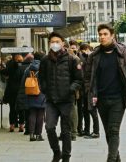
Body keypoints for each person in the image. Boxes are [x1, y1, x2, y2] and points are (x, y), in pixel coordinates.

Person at [84, 23, 126, 162]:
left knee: (114, 130)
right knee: (109, 133)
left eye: (105, 34)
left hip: (118, 99)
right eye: (100, 34)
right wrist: (89, 91)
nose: (102, 37)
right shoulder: (94, 56)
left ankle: (110, 159)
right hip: (101, 100)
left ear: (112, 35)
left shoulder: (123, 53)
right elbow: (87, 77)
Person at [39, 32, 83, 162]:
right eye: (52, 42)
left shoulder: (72, 59)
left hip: (66, 101)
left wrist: (70, 90)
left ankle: (66, 156)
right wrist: (44, 89)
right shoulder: (45, 60)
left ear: (63, 43)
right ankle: (56, 152)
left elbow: (79, 79)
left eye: (57, 41)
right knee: (49, 127)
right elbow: (41, 78)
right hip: (51, 101)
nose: (55, 44)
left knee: (66, 131)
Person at [77, 43, 100, 139]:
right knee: (86, 110)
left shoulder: (93, 59)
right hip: (86, 89)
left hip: (92, 89)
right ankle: (87, 131)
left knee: (92, 110)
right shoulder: (86, 58)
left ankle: (96, 132)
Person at [25, 51, 46, 142]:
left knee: (32, 113)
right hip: (41, 93)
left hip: (30, 92)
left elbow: (24, 81)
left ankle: (31, 134)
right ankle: (39, 135)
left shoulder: (28, 68)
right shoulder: (45, 67)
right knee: (40, 114)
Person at [3, 54, 25, 132]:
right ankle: (21, 126)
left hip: (11, 90)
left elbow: (3, 72)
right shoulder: (23, 68)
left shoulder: (10, 67)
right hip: (21, 91)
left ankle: (12, 125)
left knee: (12, 109)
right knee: (21, 109)